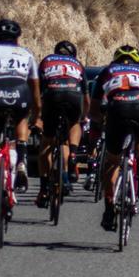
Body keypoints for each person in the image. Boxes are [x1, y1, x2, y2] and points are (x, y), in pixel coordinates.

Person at [90, 45, 139, 231]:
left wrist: (101, 122)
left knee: (112, 162)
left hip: (116, 110)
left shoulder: (107, 71)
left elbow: (93, 109)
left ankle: (109, 209)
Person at [0, 19, 39, 238]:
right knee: (22, 117)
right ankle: (21, 160)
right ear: (17, 38)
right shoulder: (26, 54)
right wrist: (36, 114)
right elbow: (35, 88)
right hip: (20, 93)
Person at [35, 40, 88, 209]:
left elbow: (37, 90)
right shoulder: (78, 65)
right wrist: (83, 116)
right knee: (74, 124)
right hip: (74, 96)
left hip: (52, 95)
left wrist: (36, 115)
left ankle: (44, 188)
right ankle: (73, 154)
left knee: (46, 142)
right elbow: (86, 96)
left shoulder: (46, 61)